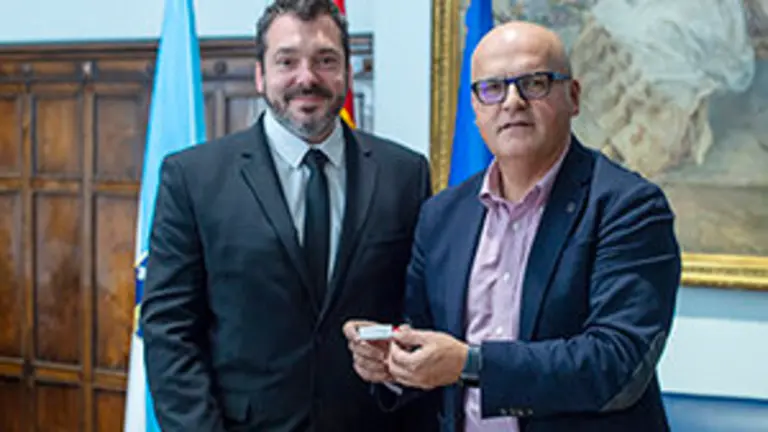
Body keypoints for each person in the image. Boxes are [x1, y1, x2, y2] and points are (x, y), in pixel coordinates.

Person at [344, 21, 681, 432]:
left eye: (534, 83)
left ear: (573, 96)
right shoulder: (442, 215)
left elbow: (617, 363)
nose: (512, 102)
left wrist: (471, 364)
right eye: (492, 88)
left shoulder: (628, 207)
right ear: (475, 108)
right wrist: (392, 363)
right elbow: (425, 342)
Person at [140, 0, 438, 430]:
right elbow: (169, 329)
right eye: (287, 61)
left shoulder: (404, 175)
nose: (307, 78)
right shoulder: (193, 178)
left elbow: (418, 312)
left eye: (325, 60)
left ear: (347, 73)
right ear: (260, 74)